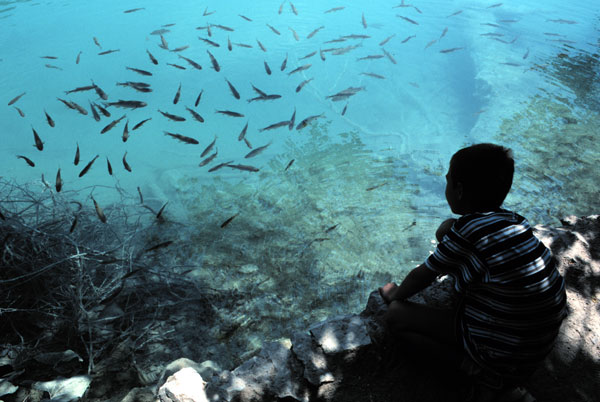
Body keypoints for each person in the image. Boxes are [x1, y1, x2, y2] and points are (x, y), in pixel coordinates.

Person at [379, 143, 567, 401]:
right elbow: (451, 233)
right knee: (447, 230)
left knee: (395, 317)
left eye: (447, 181)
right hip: (538, 342)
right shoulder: (513, 220)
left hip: (502, 349)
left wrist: (396, 293)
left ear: (458, 190)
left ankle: (480, 372)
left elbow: (423, 274)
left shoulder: (468, 232)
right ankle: (492, 364)